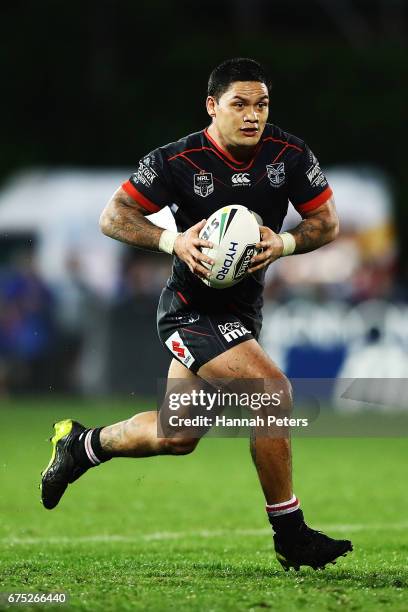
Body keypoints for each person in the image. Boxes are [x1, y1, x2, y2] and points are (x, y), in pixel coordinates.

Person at [41, 58, 352, 571]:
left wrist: (287, 241)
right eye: (240, 104)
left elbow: (327, 222)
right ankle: (290, 532)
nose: (253, 116)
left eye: (262, 105)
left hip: (241, 313)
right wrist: (172, 239)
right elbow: (113, 216)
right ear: (212, 106)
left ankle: (81, 445)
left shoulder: (289, 154)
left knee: (177, 434)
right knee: (272, 393)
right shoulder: (176, 160)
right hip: (190, 310)